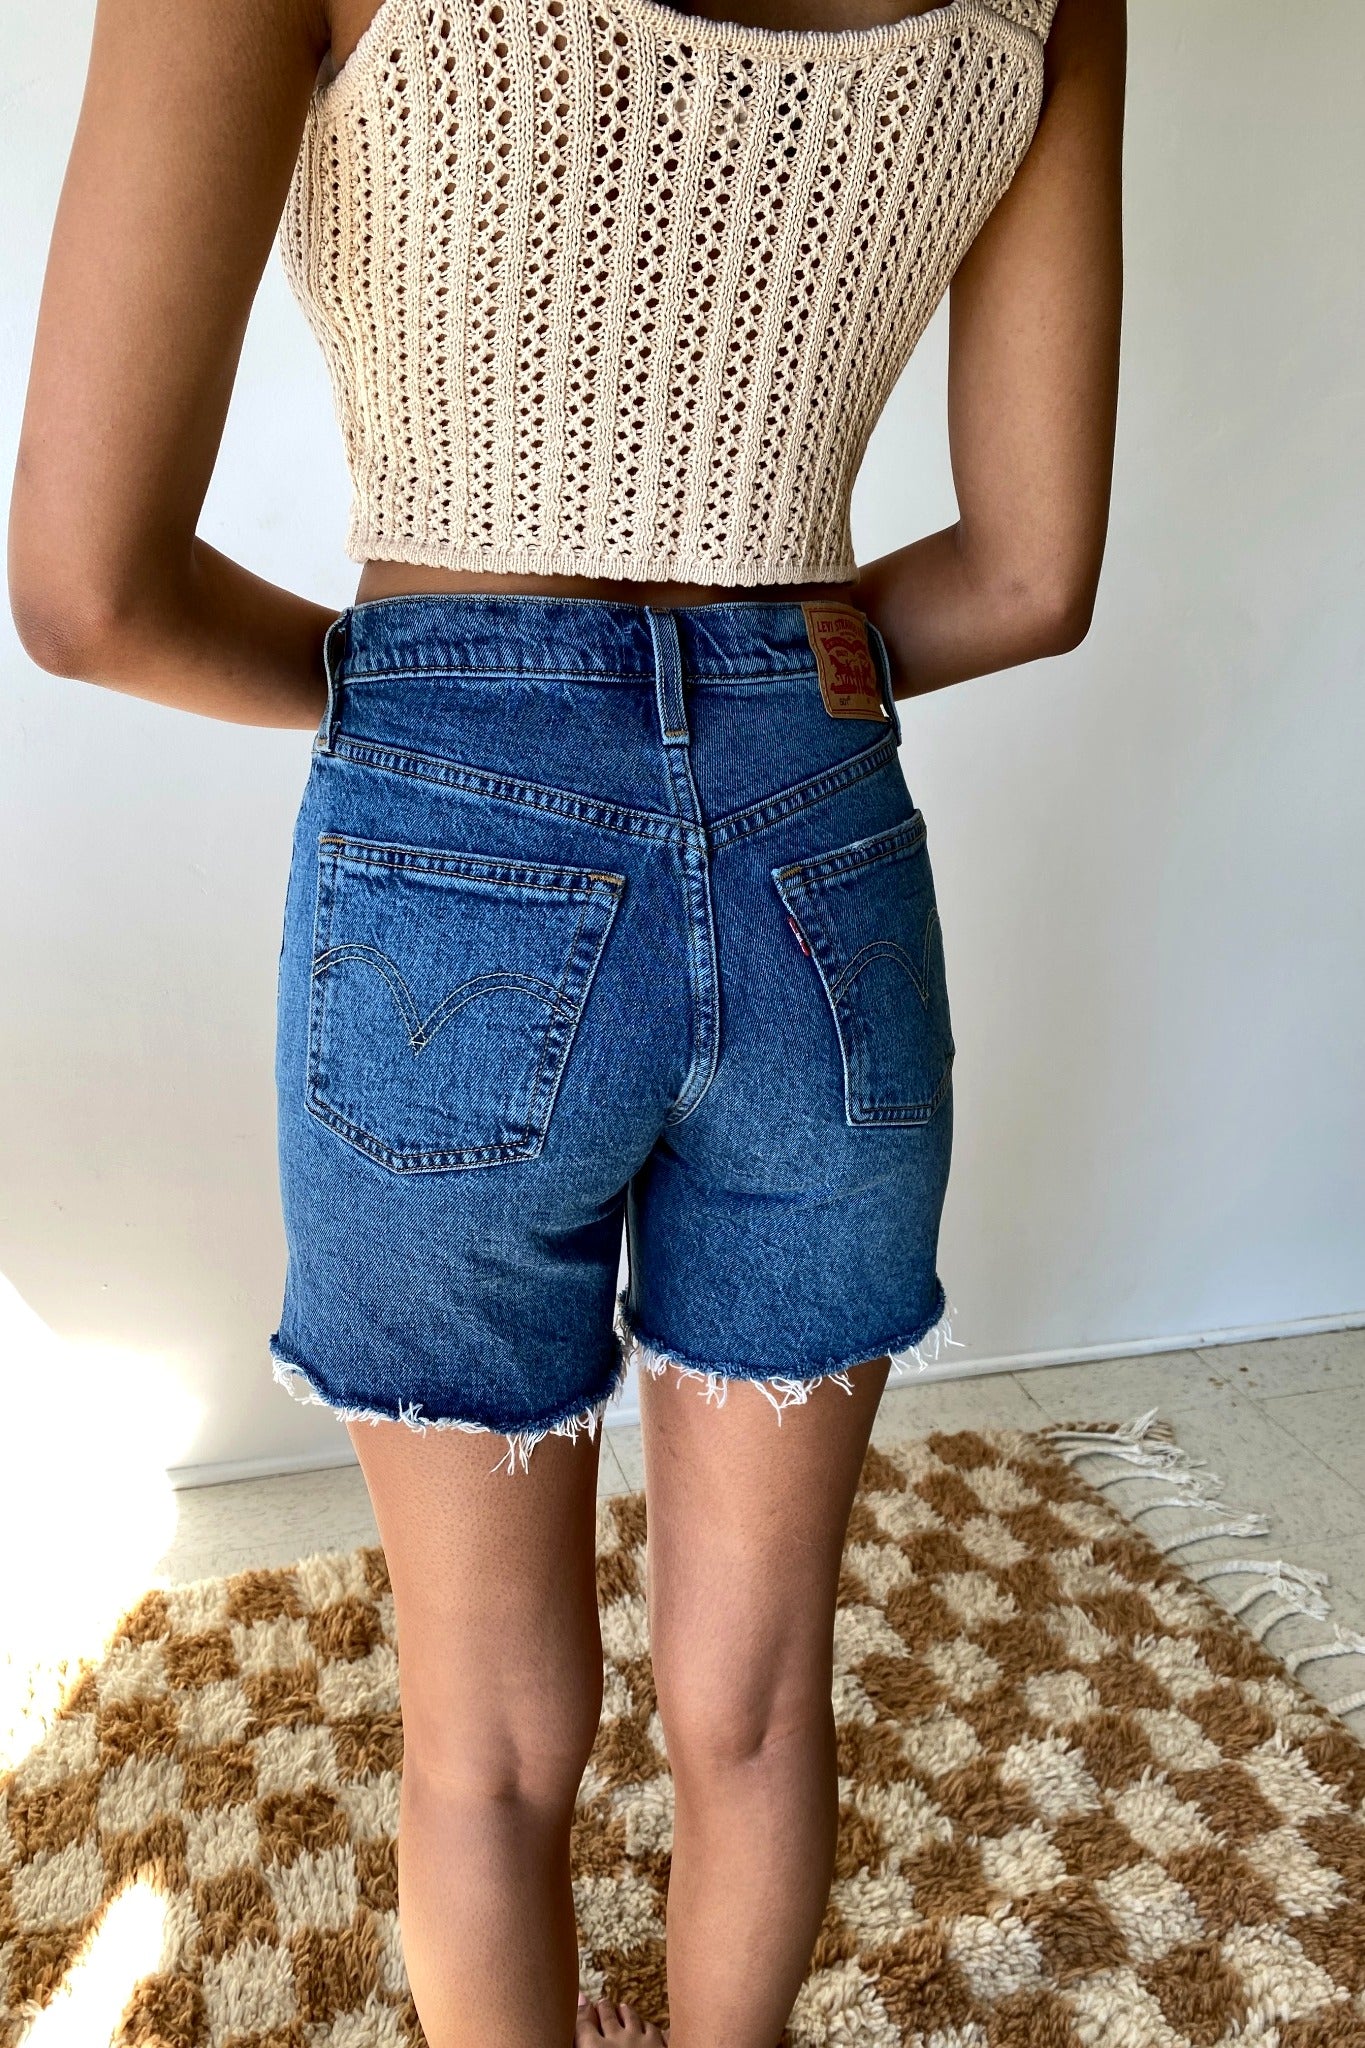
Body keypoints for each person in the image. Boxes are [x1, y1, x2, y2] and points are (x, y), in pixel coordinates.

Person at [8, 0, 1124, 2039]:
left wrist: (454, 712)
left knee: (489, 1739)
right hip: (823, 854)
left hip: (451, 852)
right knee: (759, 1702)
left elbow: (87, 592)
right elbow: (1033, 571)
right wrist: (749, 705)